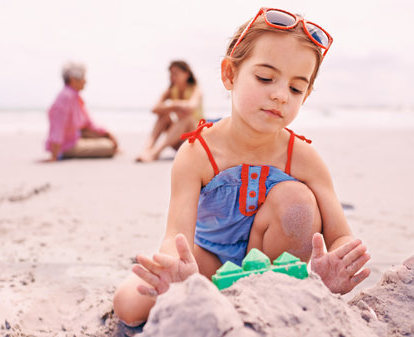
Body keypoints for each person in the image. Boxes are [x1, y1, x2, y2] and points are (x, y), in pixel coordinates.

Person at [113, 7, 371, 326]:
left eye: (295, 88)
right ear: (230, 74)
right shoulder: (198, 152)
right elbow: (176, 234)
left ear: (306, 96)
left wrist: (337, 263)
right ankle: (217, 295)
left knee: (298, 202)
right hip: (209, 262)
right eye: (265, 78)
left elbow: (340, 236)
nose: (279, 95)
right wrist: (176, 269)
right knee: (128, 303)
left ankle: (266, 296)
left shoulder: (303, 157)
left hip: (277, 269)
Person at [45, 62, 118, 161]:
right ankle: (62, 152)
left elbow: (88, 122)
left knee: (102, 137)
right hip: (65, 145)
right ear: (72, 79)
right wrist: (54, 156)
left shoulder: (75, 96)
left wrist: (106, 133)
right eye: (83, 78)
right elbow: (58, 127)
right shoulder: (66, 97)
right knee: (108, 147)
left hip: (75, 135)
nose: (85, 81)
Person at [136, 60, 203, 162]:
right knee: (163, 116)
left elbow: (191, 106)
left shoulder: (195, 89)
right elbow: (154, 108)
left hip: (194, 139)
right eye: (171, 74)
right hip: (178, 140)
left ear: (186, 74)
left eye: (176, 73)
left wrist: (172, 104)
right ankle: (147, 149)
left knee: (186, 118)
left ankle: (155, 153)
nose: (172, 77)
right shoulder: (171, 90)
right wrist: (173, 107)